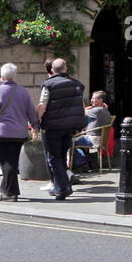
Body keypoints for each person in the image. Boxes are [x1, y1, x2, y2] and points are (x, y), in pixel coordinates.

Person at [0, 63, 38, 201]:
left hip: (2, 132)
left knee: (6, 163)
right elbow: (31, 111)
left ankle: (10, 193)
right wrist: (35, 126)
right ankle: (5, 188)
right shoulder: (22, 91)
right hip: (20, 133)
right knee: (11, 161)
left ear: (2, 76)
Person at [37, 59, 86, 200]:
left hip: (52, 126)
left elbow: (42, 105)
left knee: (54, 157)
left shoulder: (48, 84)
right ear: (66, 69)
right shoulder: (78, 85)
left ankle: (64, 187)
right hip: (69, 127)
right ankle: (59, 188)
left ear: (52, 70)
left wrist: (36, 120)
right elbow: (80, 106)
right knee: (61, 156)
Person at [74, 90, 113, 172]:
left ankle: (82, 163)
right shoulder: (105, 111)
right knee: (79, 140)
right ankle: (87, 162)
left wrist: (88, 107)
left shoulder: (97, 110)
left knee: (70, 142)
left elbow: (81, 112)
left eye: (93, 98)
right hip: (99, 140)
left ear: (100, 100)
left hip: (92, 140)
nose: (91, 100)